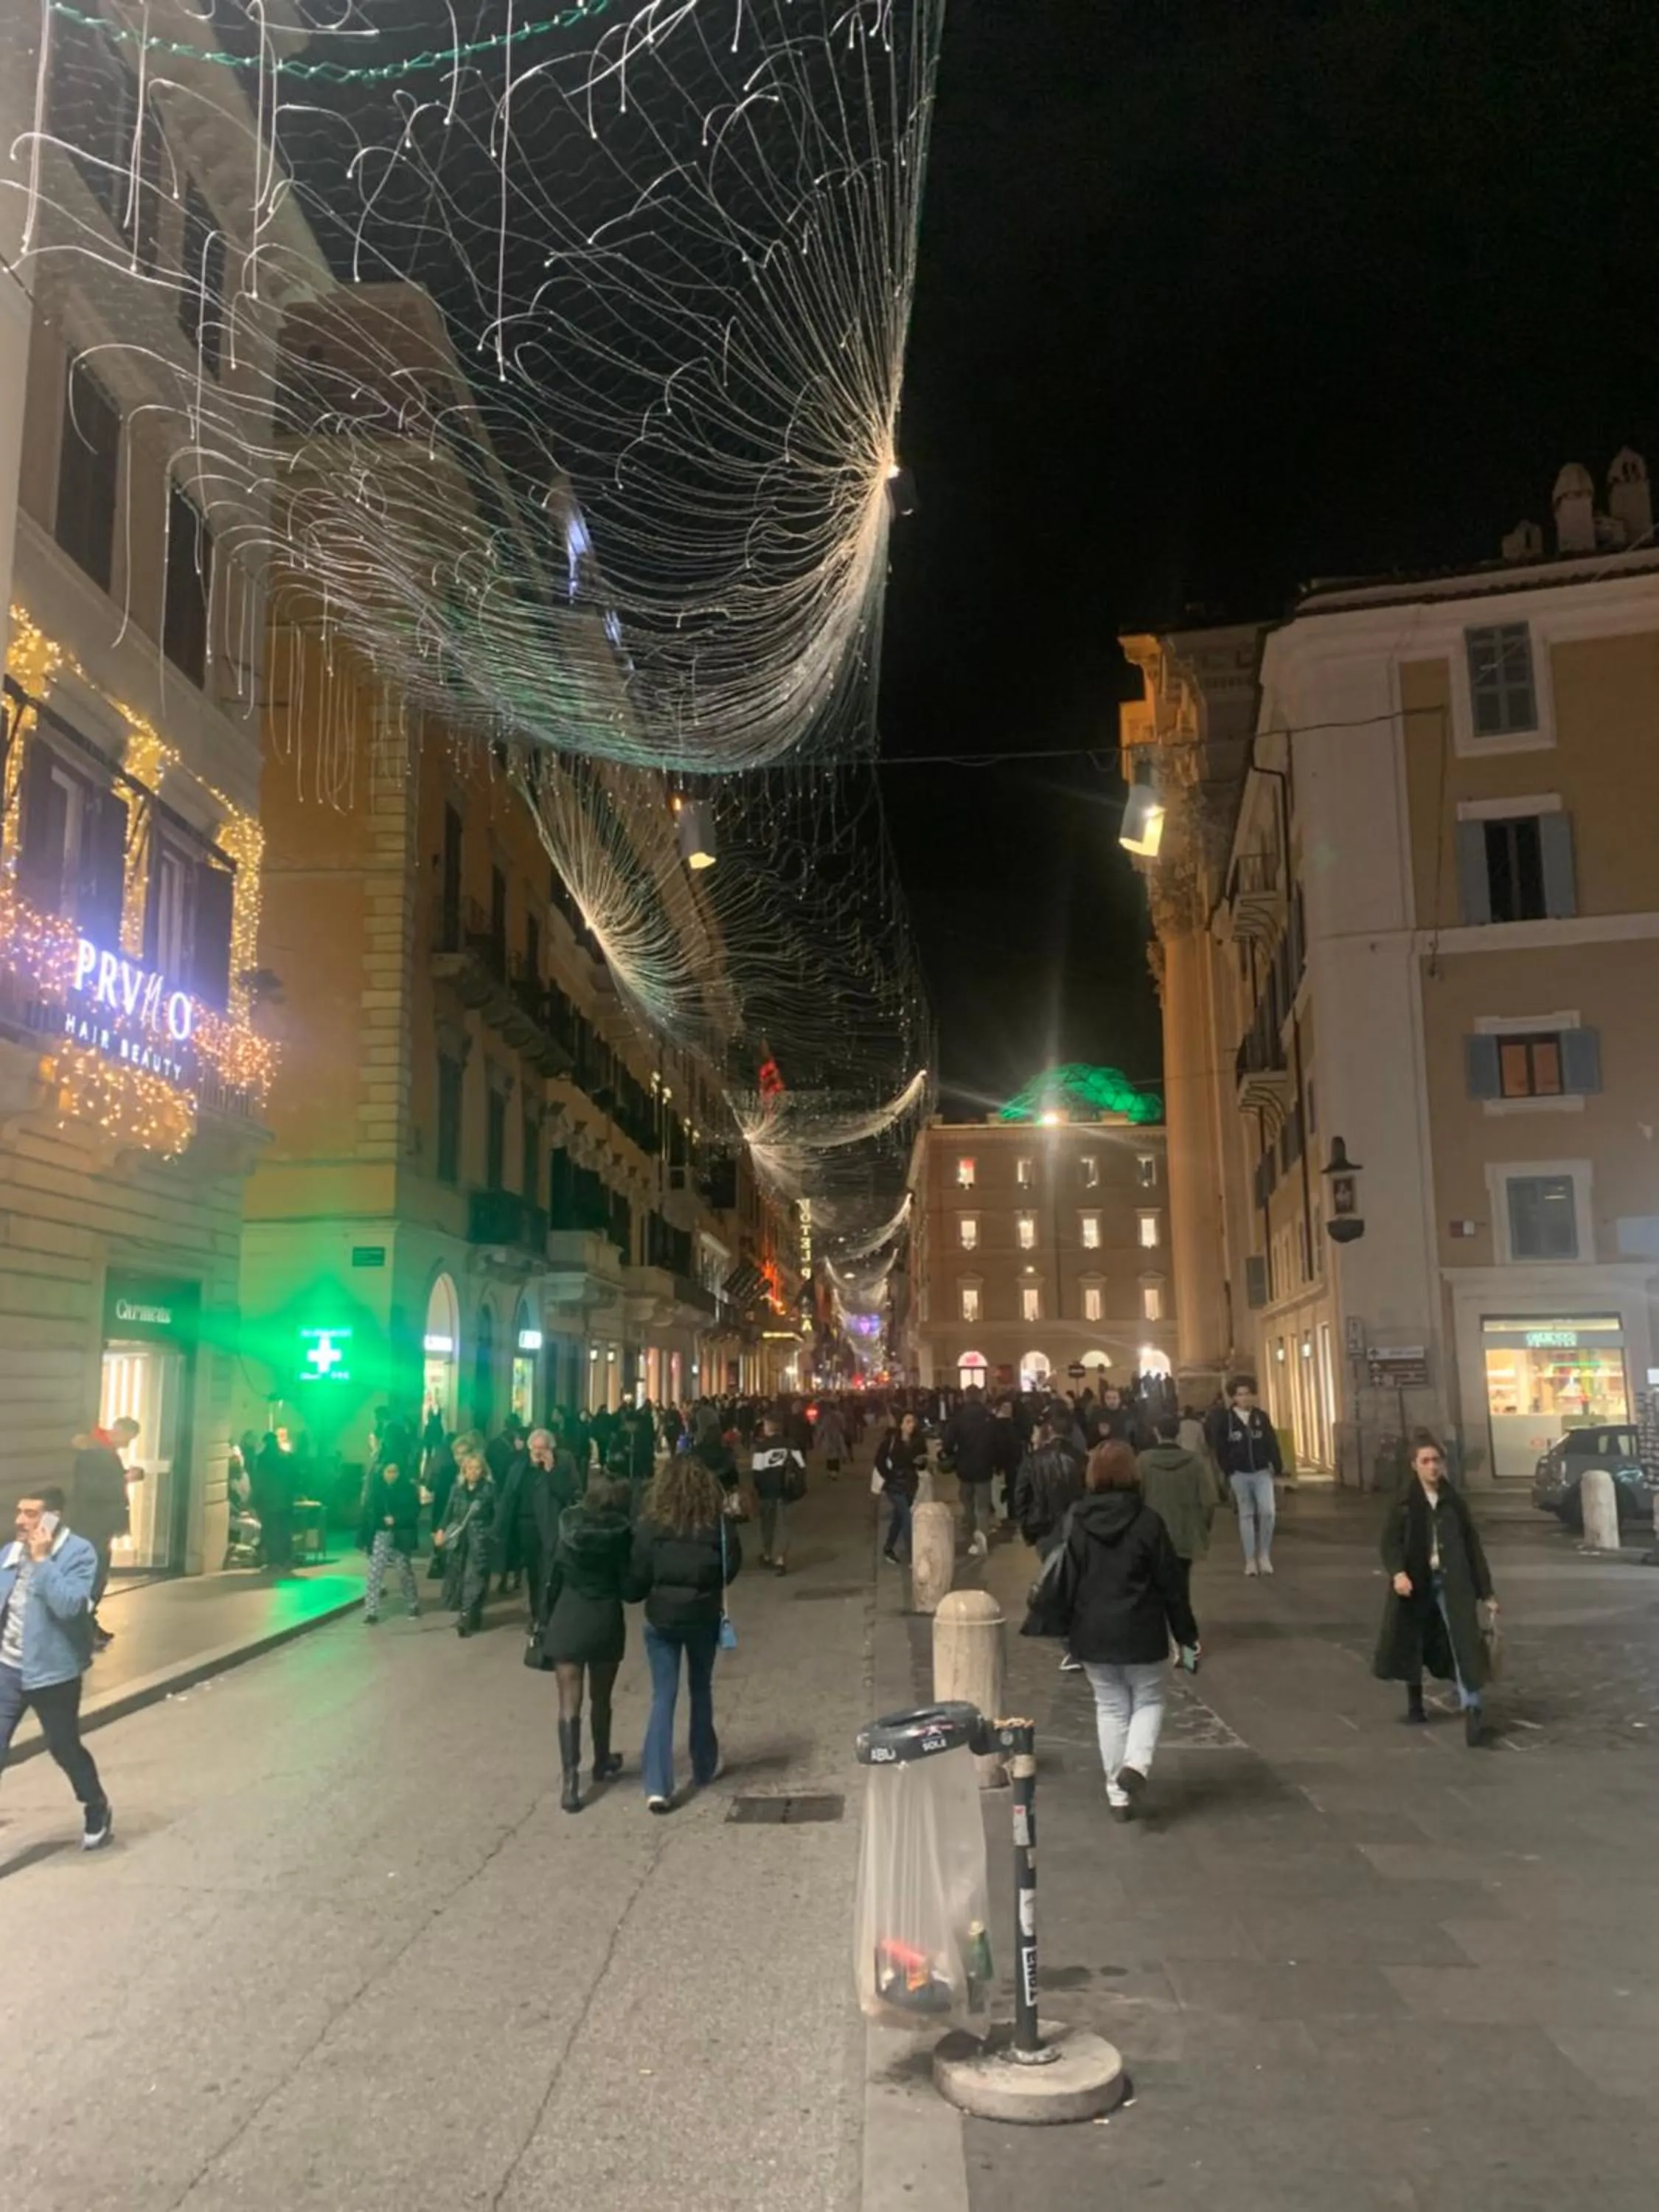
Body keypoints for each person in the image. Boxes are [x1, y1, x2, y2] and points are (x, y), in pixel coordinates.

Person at [1034, 1441, 1197, 1820]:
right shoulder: (1149, 1522)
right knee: (1149, 1699)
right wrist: (1186, 1635)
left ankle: (1117, 1796)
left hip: (1092, 1632)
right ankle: (1136, 1765)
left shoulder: (1077, 1521)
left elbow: (1067, 1580)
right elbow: (1172, 1585)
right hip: (1142, 1629)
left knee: (1109, 1708)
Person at [629, 1453, 742, 1812]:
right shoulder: (717, 1524)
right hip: (703, 1615)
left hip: (662, 1619)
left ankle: (657, 1785)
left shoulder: (651, 1524)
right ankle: (704, 1765)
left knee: (663, 1695)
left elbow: (639, 1573)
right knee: (700, 1688)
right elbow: (731, 1566)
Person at [0, 1488, 111, 1848]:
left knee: (64, 1747)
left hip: (53, 1673)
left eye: (31, 1514)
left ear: (53, 1518)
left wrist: (43, 1561)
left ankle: (95, 1805)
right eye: (19, 1512)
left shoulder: (79, 1553)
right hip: (8, 1669)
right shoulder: (9, 1553)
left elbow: (69, 1607)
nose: (20, 1520)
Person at [1374, 1433, 1499, 1746]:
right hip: (1417, 1582)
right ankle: (1415, 1703)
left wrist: (1487, 1593)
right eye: (1425, 1461)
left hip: (1452, 1582)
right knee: (1414, 1640)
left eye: (1436, 1461)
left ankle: (1473, 1708)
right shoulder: (1403, 1502)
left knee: (1464, 1643)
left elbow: (1472, 1547)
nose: (1432, 1467)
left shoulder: (1454, 1502)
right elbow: (1389, 1543)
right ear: (1414, 1465)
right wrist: (1398, 1573)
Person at [538, 1473, 636, 1812]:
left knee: (568, 1704)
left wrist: (544, 1618)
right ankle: (602, 1760)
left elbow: (551, 1580)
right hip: (605, 1620)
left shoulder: (568, 1531)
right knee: (601, 1698)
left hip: (568, 1619)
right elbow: (630, 1587)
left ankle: (570, 1785)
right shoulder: (621, 1535)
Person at [1137, 1414, 1227, 1663]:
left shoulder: (1143, 1462)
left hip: (1151, 1539)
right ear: (1178, 1433)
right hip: (1184, 1536)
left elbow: (1136, 1499)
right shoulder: (1196, 1462)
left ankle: (1155, 1646)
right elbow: (1209, 1502)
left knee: (1153, 1592)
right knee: (1180, 1593)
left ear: (1156, 1432)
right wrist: (1201, 1529)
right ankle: (1187, 1650)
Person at [72, 1416, 140, 1649]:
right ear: (118, 1430)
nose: (128, 1445)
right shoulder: (95, 1451)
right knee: (93, 1577)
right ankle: (83, 1627)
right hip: (92, 1527)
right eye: (128, 1439)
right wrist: (124, 1479)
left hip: (99, 1527)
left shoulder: (100, 1450)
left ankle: (88, 1623)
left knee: (98, 1577)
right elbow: (91, 1489)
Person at [1206, 1376, 1284, 1576]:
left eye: (1248, 1393)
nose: (1245, 1398)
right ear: (1234, 1397)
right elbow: (1220, 1447)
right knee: (1246, 1514)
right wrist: (1228, 1469)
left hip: (1261, 1472)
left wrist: (1277, 1464)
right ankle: (1250, 1560)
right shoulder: (1226, 1420)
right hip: (1239, 1473)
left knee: (1268, 1512)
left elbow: (1271, 1442)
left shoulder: (1261, 1417)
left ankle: (1264, 1555)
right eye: (1240, 1394)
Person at [359, 1427, 422, 1625]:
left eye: (395, 1471)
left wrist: (397, 1519)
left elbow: (414, 1511)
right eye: (388, 1471)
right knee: (375, 1570)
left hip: (401, 1533)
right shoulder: (377, 1489)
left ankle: (412, 1602)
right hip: (381, 1532)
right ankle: (371, 1611)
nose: (392, 1475)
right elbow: (370, 1511)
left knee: (404, 1570)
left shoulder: (407, 1489)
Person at [520, 1426, 582, 1622]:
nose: (539, 1453)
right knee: (533, 1574)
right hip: (528, 1527)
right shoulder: (522, 1467)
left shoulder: (562, 1465)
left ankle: (548, 1614)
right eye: (535, 1448)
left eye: (543, 1448)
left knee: (550, 1572)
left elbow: (569, 1493)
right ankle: (536, 1615)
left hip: (551, 1527)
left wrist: (550, 1472)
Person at [434, 1437, 495, 1636]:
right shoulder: (457, 1489)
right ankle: (471, 1614)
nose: (473, 1472)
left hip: (480, 1539)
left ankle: (466, 1617)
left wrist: (493, 1535)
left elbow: (498, 1514)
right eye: (470, 1468)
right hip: (459, 1541)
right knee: (459, 1576)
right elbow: (448, 1511)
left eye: (477, 1468)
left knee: (474, 1577)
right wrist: (441, 1530)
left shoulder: (489, 1490)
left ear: (483, 1470)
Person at [1012, 1411, 1086, 1559]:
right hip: (1076, 1525)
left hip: (1043, 1526)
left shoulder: (1033, 1460)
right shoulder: (1082, 1459)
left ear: (1050, 1430)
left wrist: (1027, 1528)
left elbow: (1021, 1496)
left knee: (1050, 1568)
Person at [942, 1389, 998, 1558]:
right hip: (984, 1466)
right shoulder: (989, 1419)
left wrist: (951, 1454)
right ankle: (982, 1535)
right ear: (981, 1397)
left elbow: (948, 1442)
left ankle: (972, 1530)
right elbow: (996, 1443)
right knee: (982, 1505)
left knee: (968, 1503)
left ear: (965, 1397)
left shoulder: (958, 1419)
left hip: (965, 1466)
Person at [750, 1408, 805, 1573]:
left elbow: (757, 1472)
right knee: (784, 1525)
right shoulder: (791, 1444)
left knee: (768, 1524)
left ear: (768, 1427)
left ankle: (767, 1555)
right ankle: (781, 1559)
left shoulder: (762, 1447)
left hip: (768, 1491)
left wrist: (759, 1489)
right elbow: (801, 1466)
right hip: (786, 1491)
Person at [874, 1408, 928, 1565]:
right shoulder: (890, 1441)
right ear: (901, 1424)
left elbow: (923, 1463)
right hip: (894, 1486)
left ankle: (888, 1548)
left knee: (898, 1518)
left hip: (911, 1484)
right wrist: (889, 1475)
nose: (911, 1425)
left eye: (913, 1422)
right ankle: (914, 1557)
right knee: (907, 1518)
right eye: (908, 1422)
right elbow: (879, 1461)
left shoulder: (918, 1441)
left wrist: (921, 1462)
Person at [818, 1402, 849, 1481]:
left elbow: (822, 1428)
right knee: (836, 1455)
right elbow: (844, 1427)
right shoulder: (840, 1415)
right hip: (838, 1436)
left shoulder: (826, 1417)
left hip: (828, 1437)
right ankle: (835, 1472)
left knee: (829, 1455)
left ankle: (830, 1471)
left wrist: (819, 1438)